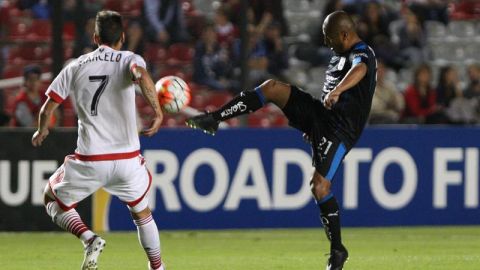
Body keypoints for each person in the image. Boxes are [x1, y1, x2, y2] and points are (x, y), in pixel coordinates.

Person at [186, 11, 377, 270]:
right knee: (272, 87)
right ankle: (215, 118)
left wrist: (338, 90)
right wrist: (313, 124)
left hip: (340, 130)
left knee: (320, 187)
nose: (326, 42)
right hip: (321, 118)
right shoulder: (338, 54)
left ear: (344, 34)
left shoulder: (362, 53)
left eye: (329, 37)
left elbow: (360, 70)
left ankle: (338, 250)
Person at [31, 11, 165, 270]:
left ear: (95, 37)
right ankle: (157, 267)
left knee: (51, 197)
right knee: (142, 213)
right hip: (127, 161)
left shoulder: (75, 65)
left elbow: (48, 107)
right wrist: (158, 111)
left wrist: (42, 130)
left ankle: (88, 238)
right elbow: (142, 75)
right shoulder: (129, 59)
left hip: (90, 159)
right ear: (123, 37)